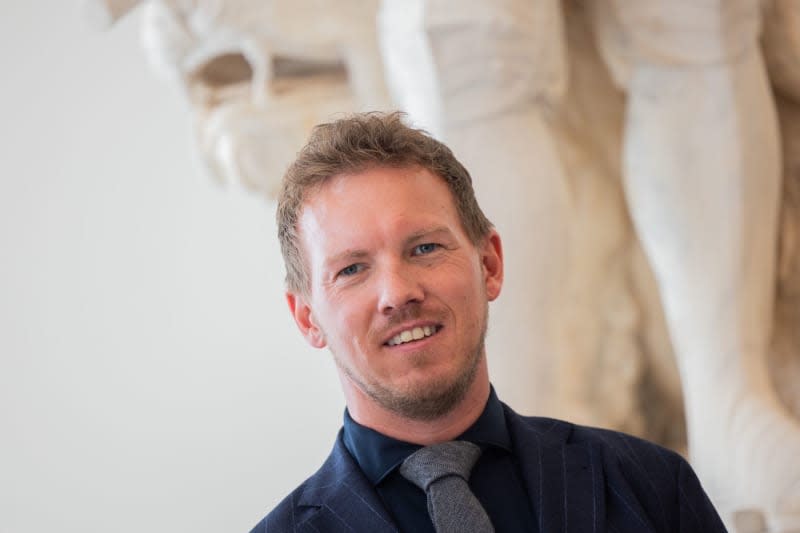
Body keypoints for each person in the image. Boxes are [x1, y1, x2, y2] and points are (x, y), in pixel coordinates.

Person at [249, 111, 726, 533]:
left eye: (425, 248)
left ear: (489, 264)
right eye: (352, 269)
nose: (398, 293)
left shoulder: (651, 484)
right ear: (307, 317)